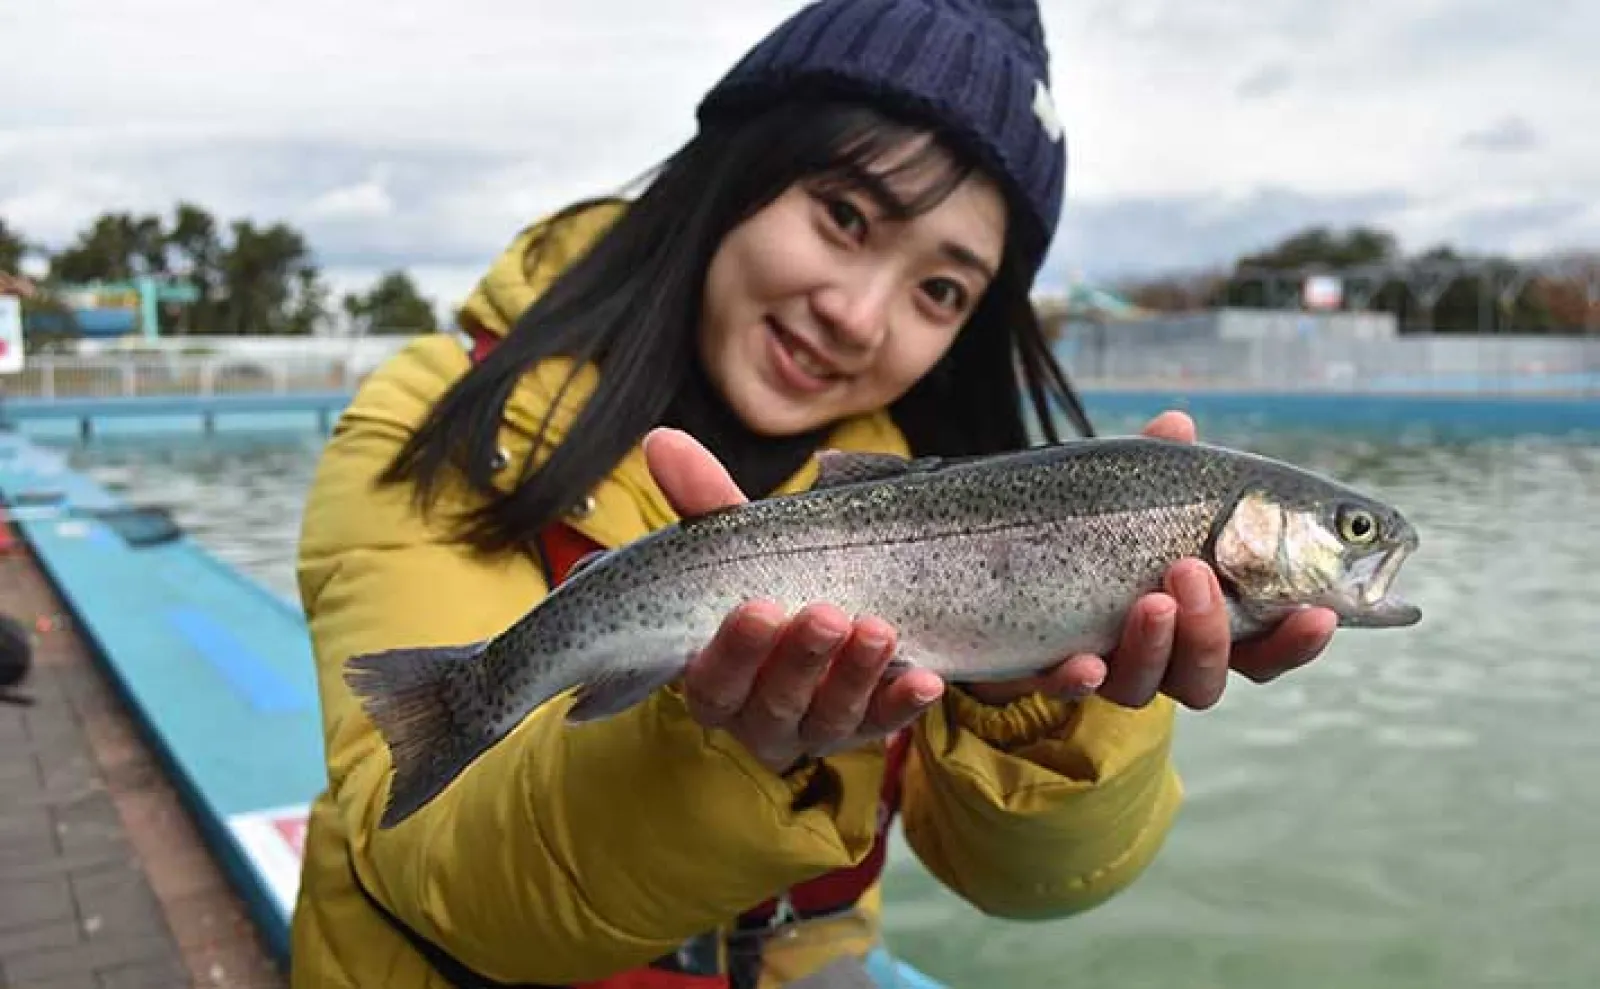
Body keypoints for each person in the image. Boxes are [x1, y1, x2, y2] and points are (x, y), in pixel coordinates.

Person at [288, 1, 1338, 986]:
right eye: (843, 215)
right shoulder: (439, 410)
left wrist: (1052, 703)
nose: (858, 314)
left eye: (940, 289)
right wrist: (707, 752)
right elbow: (427, 863)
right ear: (736, 169)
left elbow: (1028, 885)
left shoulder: (955, 489)